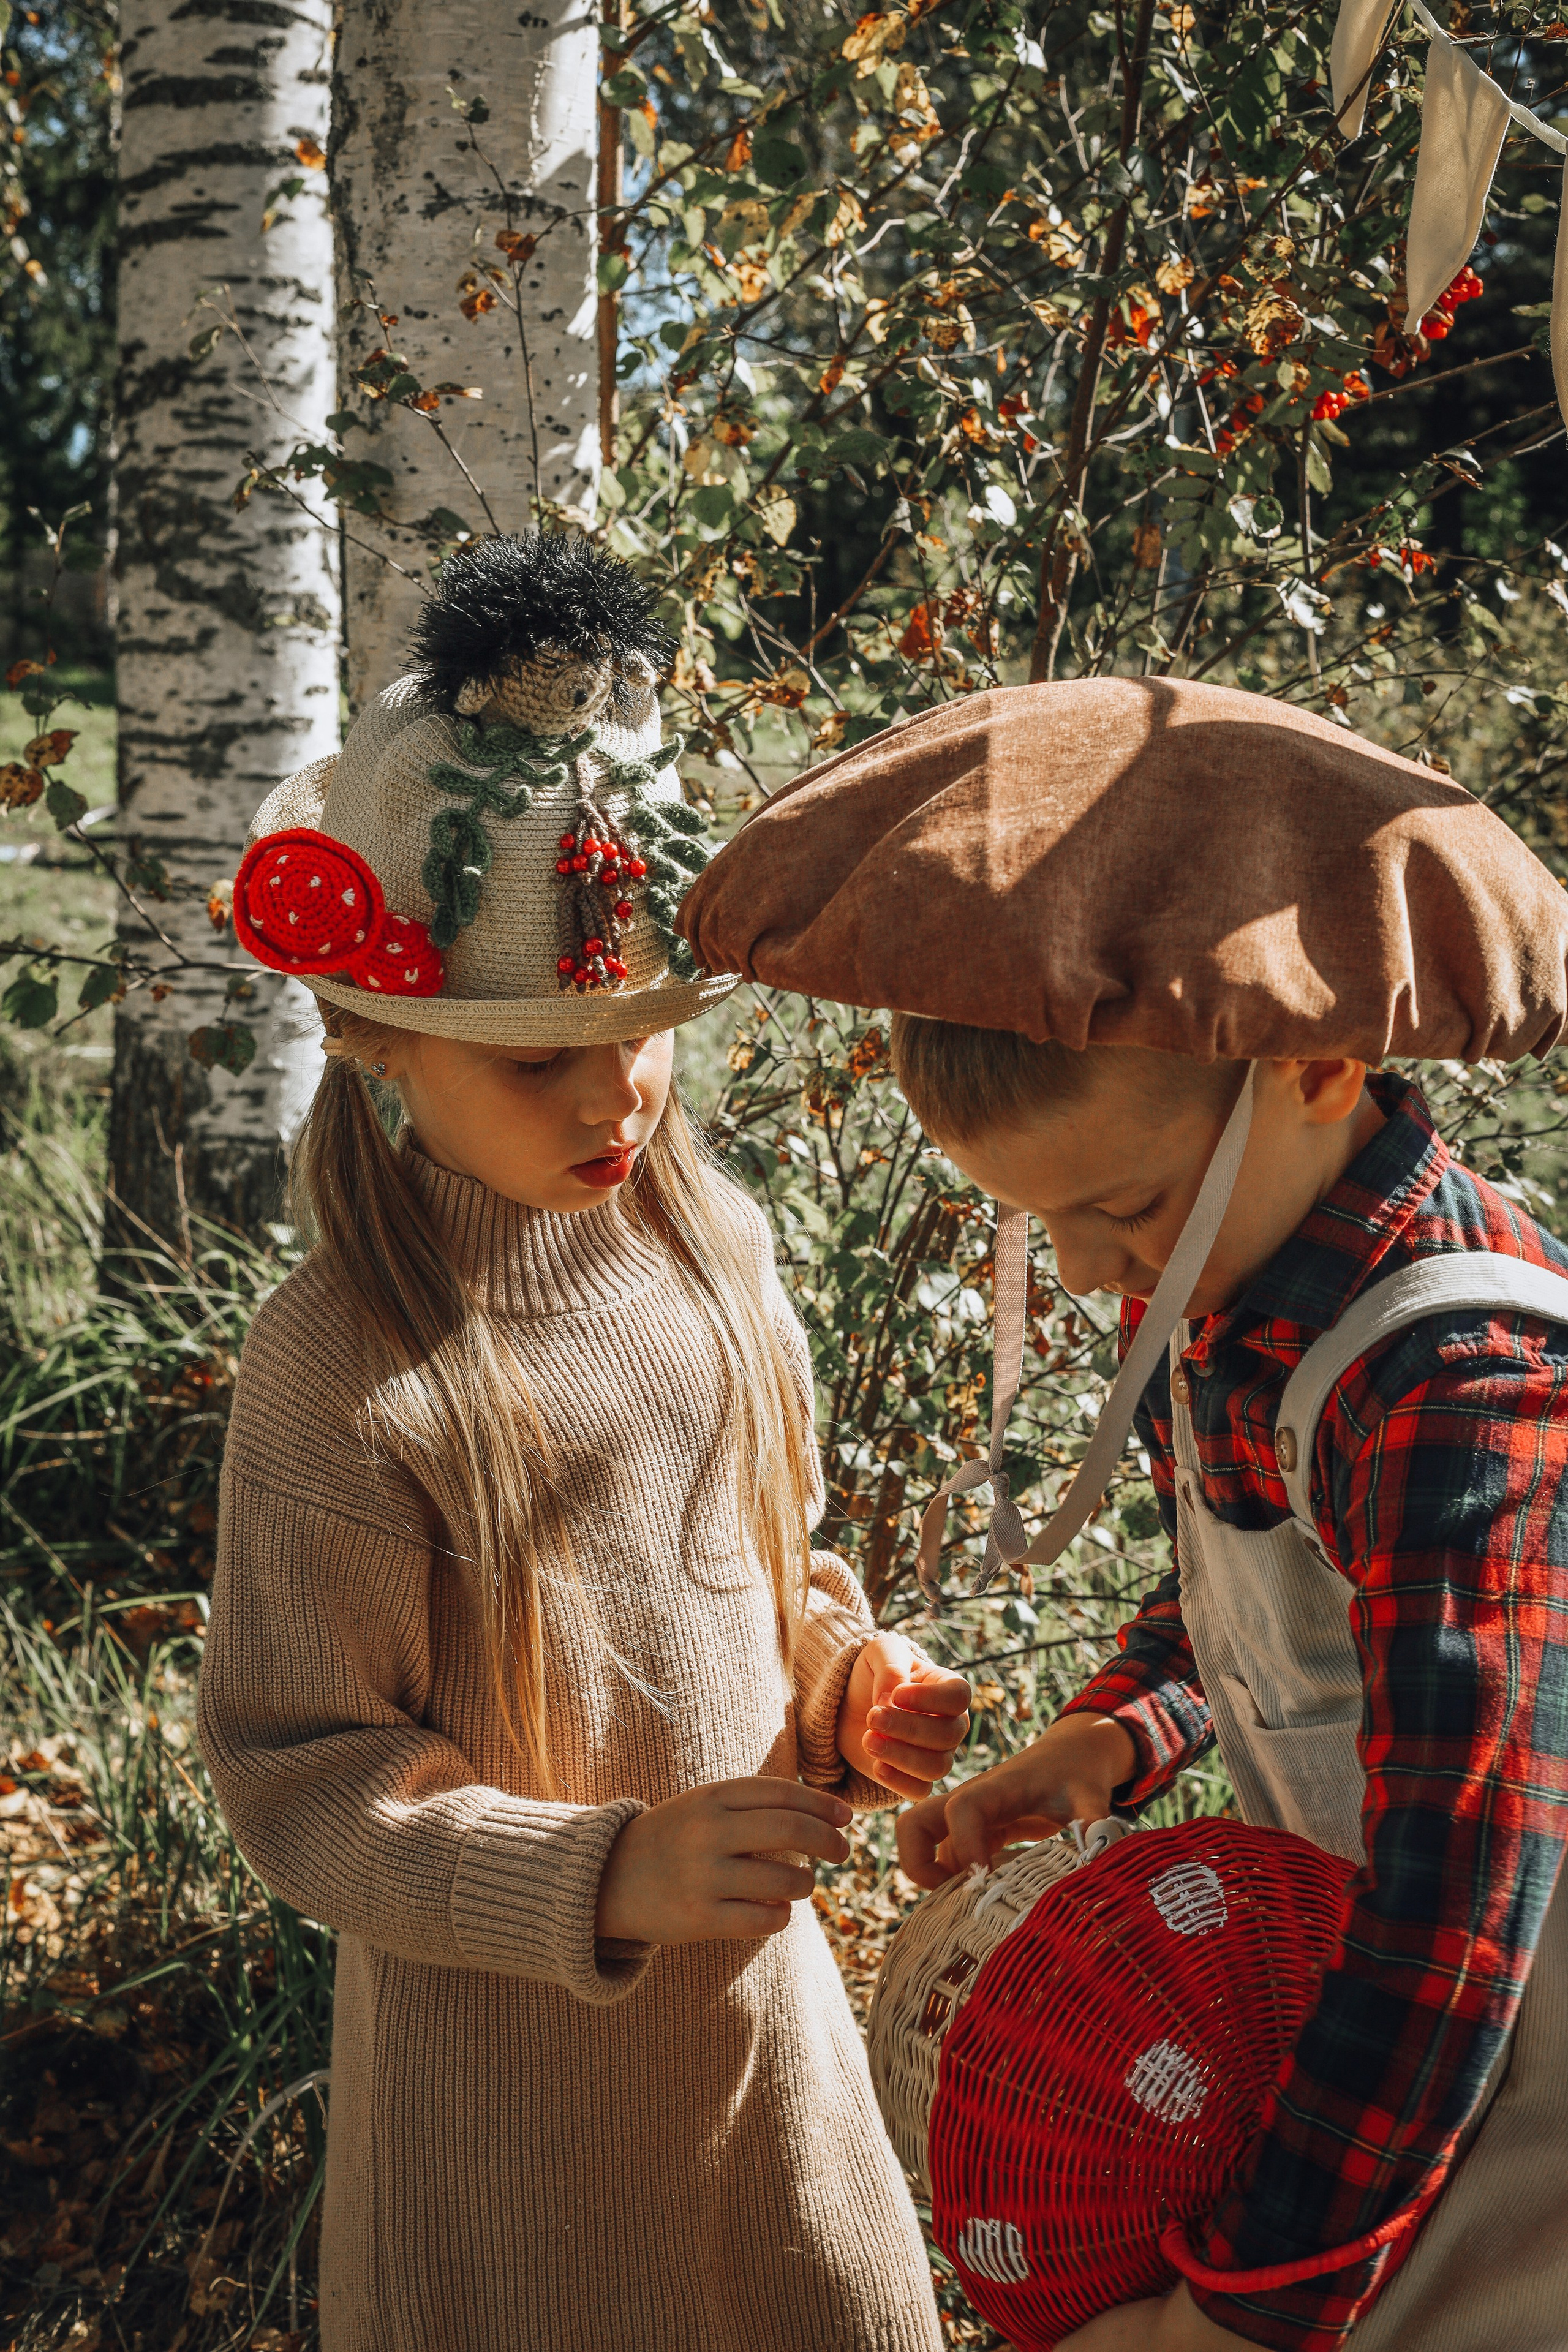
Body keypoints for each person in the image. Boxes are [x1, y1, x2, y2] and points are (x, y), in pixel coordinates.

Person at [676, 677, 1568, 2352]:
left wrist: (1258, 2293)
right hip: (1375, 2035)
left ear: (1315, 1063)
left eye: (1125, 1211)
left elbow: (1466, 1889)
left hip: (1505, 2070)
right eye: (1044, 1231)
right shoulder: (1238, 1284)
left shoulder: (1461, 1389)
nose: (1091, 1275)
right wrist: (1113, 1739)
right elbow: (1246, 1604)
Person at [197, 537, 969, 2352]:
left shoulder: (716, 1255)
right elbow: (301, 1780)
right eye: (538, 1059)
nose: (616, 1092)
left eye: (637, 1038)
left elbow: (753, 1581)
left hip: (762, 2076)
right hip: (511, 2133)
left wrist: (846, 1683)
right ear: (381, 1034)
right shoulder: (347, 1366)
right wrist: (602, 1870)